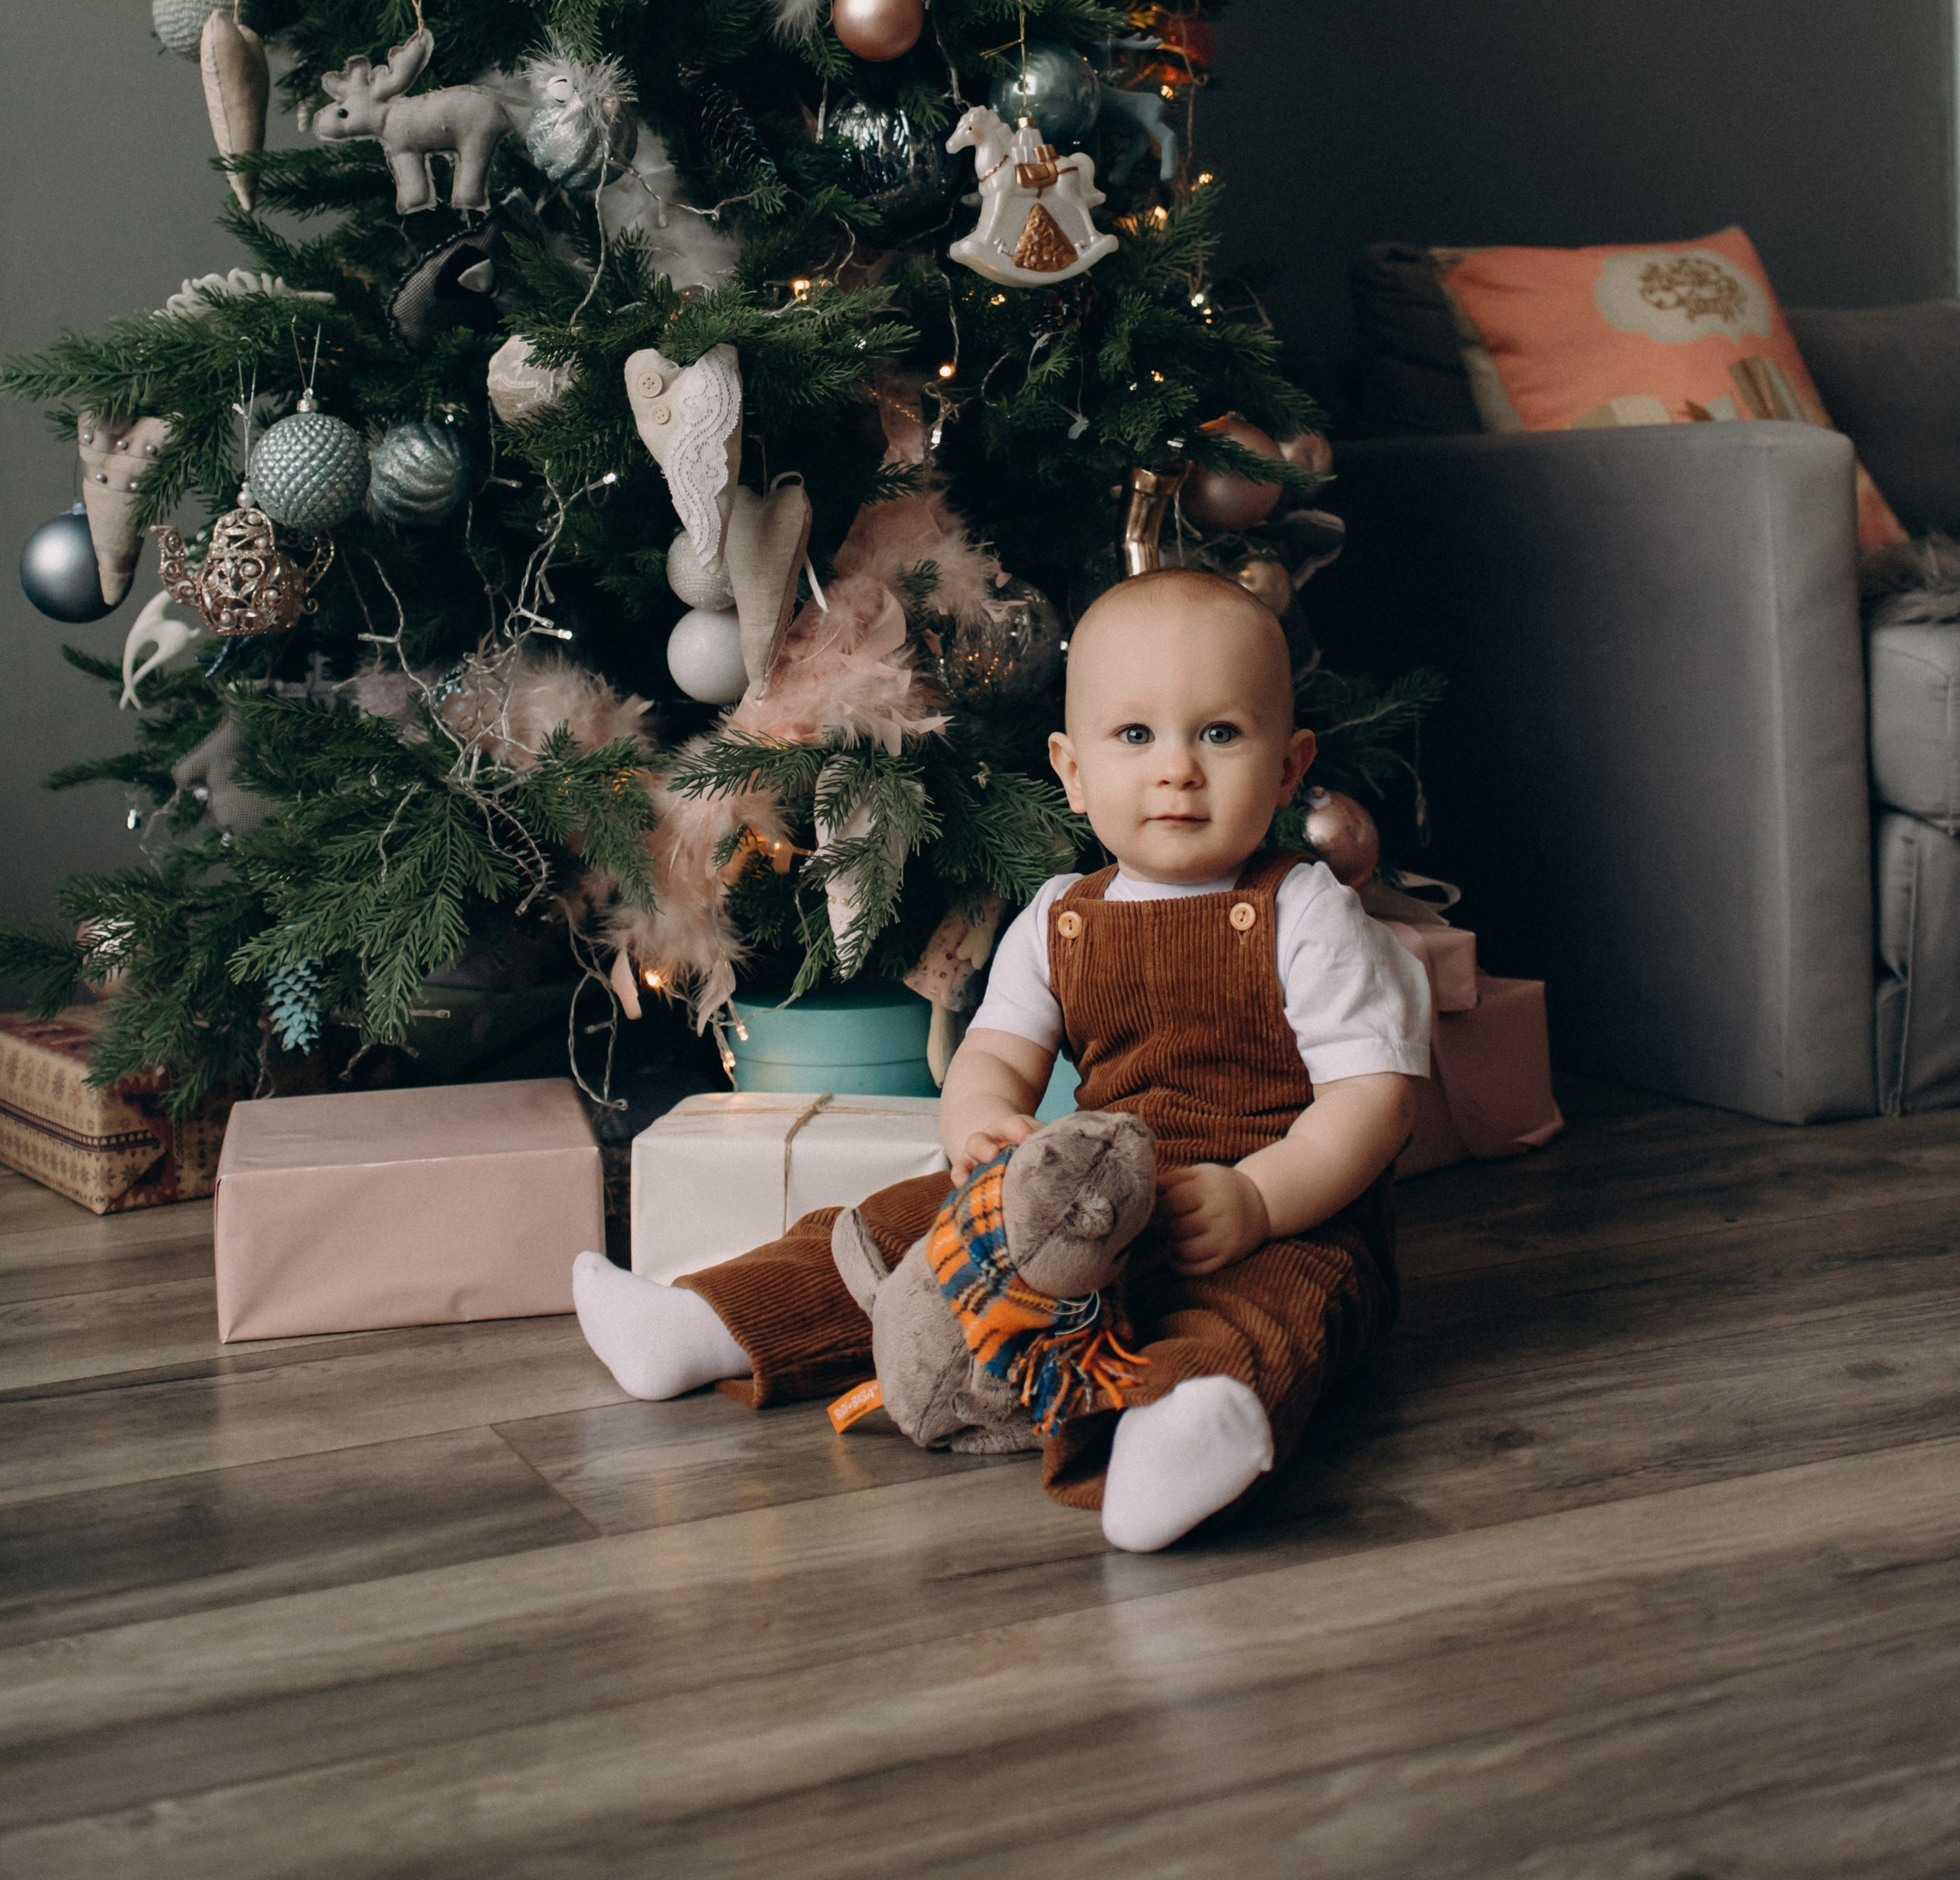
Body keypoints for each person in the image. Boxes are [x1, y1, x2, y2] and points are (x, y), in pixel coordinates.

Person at [574, 566, 1432, 1551]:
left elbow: (1374, 1098)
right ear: (1071, 771)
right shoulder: (1060, 916)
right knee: (899, 1228)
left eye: (1220, 734)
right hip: (1088, 1191)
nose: (1177, 770)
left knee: (1274, 1309)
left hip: (1274, 1205)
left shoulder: (1307, 913)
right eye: (1136, 735)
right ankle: (707, 1326)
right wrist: (977, 1128)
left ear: (1289, 767)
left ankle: (1184, 1428)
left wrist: (1263, 1199)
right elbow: (992, 1054)